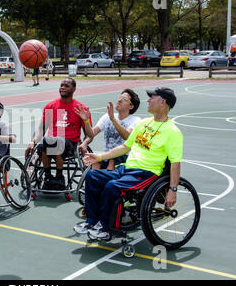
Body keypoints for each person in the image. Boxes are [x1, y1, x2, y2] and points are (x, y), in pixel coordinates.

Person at [73, 87, 183, 240]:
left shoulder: (173, 132)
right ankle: (92, 221)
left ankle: (107, 228)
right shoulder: (144, 123)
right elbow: (125, 147)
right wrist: (99, 158)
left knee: (113, 187)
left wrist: (173, 190)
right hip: (127, 169)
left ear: (162, 102)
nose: (148, 100)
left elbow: (175, 163)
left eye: (152, 97)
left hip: (146, 174)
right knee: (92, 175)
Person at [25, 78, 94, 191]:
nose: (62, 87)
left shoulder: (81, 108)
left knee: (55, 141)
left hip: (71, 144)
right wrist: (32, 142)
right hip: (51, 142)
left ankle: (59, 176)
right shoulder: (50, 106)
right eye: (61, 85)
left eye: (66, 86)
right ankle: (48, 177)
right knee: (44, 143)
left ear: (74, 89)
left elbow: (89, 135)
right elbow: (41, 129)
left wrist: (85, 143)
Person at [79, 89, 141, 170]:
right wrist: (86, 121)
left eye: (124, 99)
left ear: (131, 106)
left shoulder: (135, 120)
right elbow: (91, 134)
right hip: (106, 156)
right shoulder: (107, 117)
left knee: (112, 160)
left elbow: (127, 136)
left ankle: (107, 178)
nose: (119, 100)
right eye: (120, 98)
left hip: (123, 157)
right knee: (94, 162)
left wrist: (113, 119)